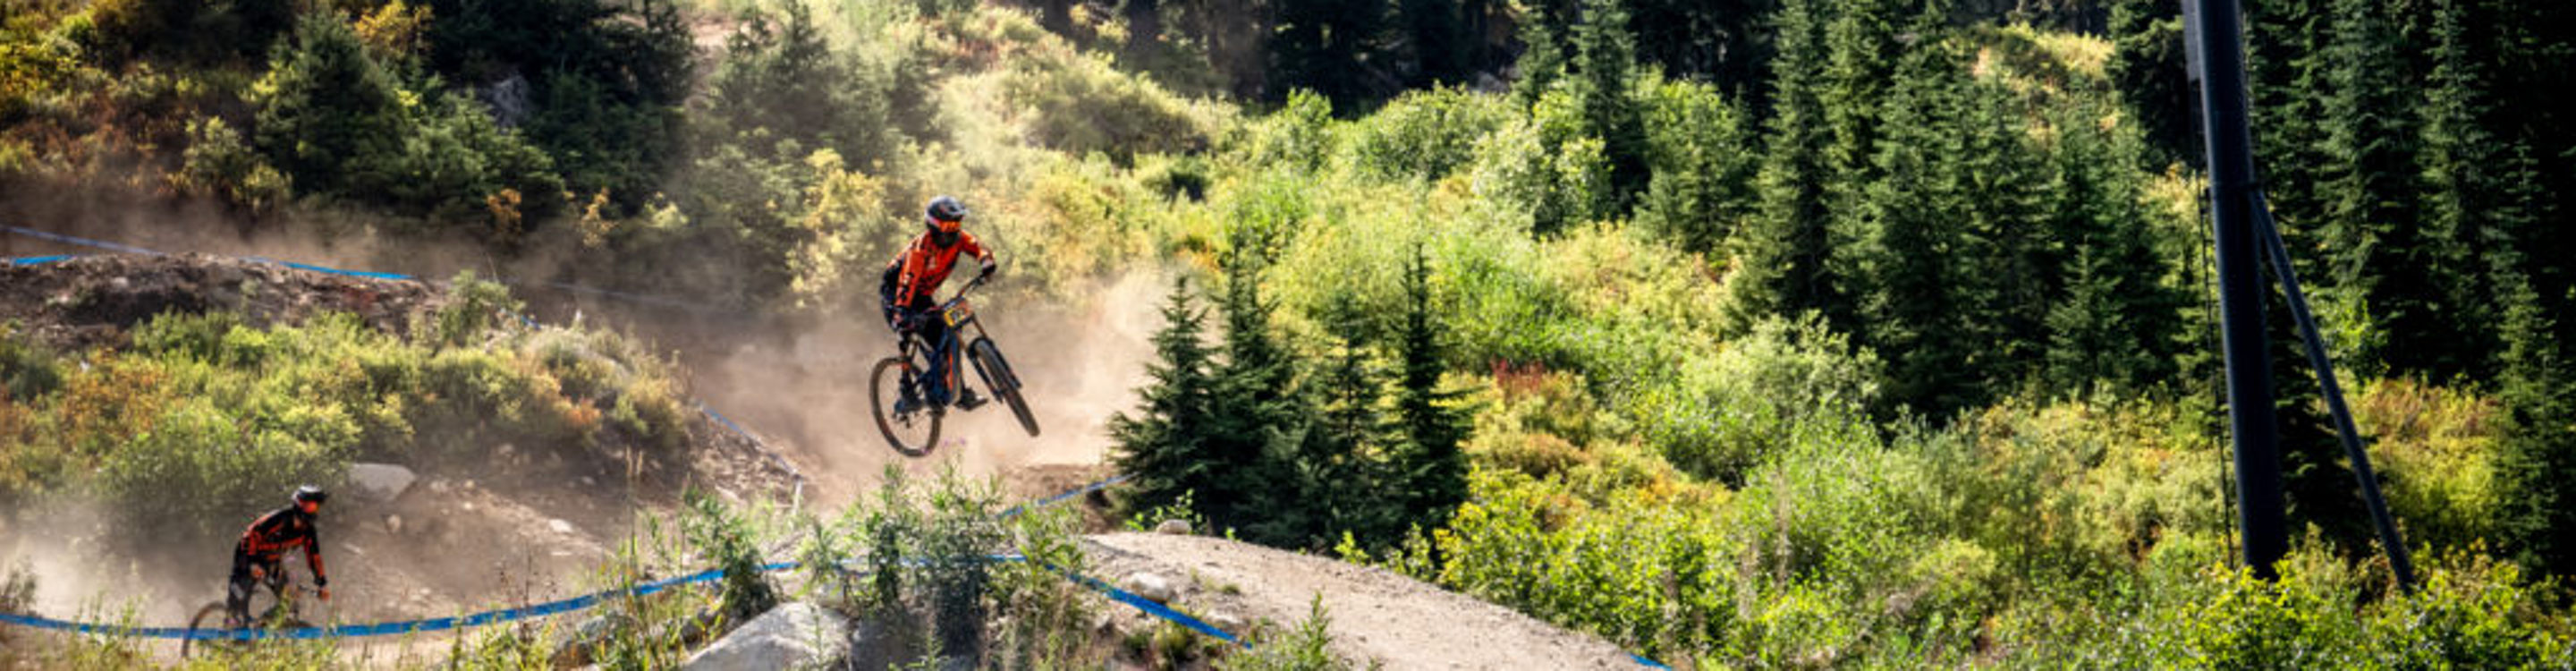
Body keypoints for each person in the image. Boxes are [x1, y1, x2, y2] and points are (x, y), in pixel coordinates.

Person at [879, 195, 998, 414]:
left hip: (922, 295)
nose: (953, 229)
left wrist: (986, 261)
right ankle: (907, 389)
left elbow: (977, 246)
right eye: (948, 225)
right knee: (905, 332)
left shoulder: (959, 238)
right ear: (934, 226)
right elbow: (907, 281)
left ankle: (958, 392)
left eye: (956, 224)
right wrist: (902, 313)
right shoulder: (920, 249)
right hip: (896, 295)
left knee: (946, 336)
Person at [226, 485, 331, 628]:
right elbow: (250, 536)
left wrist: (322, 584)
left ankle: (262, 628)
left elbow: (314, 557)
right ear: (299, 505)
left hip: (272, 562)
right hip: (248, 557)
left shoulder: (308, 531)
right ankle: (232, 631)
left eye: (316, 507)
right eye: (310, 506)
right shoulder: (278, 519)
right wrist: (251, 564)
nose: (313, 510)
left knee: (288, 603)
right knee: (239, 600)